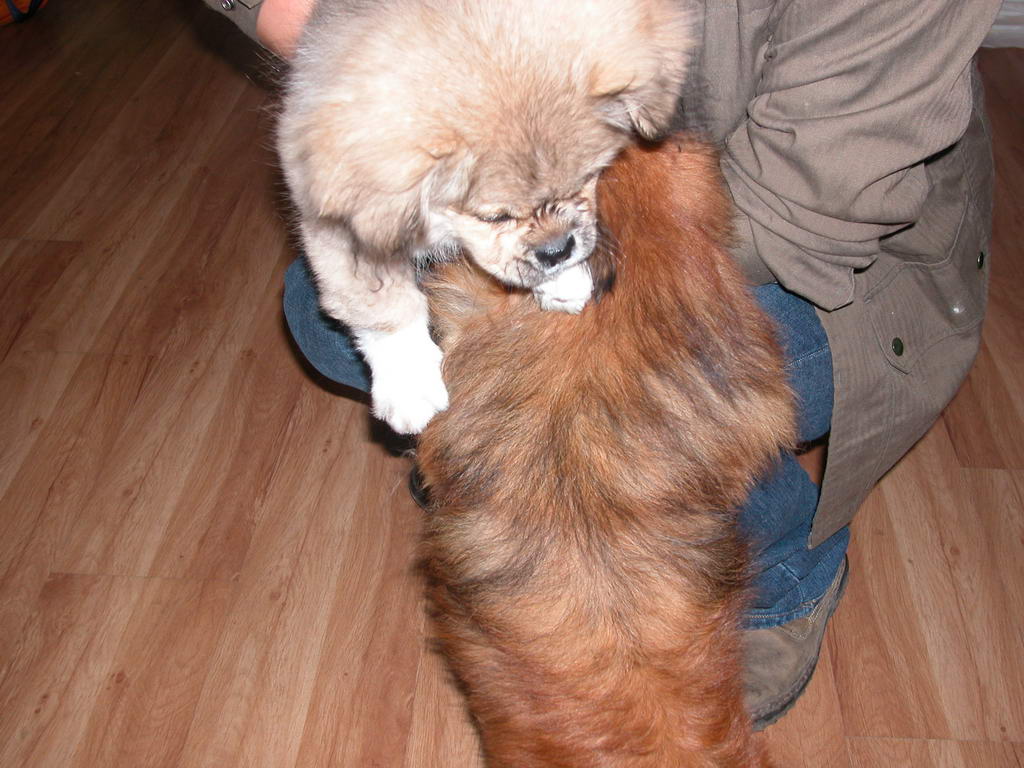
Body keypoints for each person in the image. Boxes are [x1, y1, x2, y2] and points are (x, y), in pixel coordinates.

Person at [205, 0, 1001, 729]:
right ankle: (527, 466)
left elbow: (802, 216)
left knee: (609, 406)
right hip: (520, 157)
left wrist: (550, 309)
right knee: (331, 321)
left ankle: (785, 559)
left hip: (804, 255)